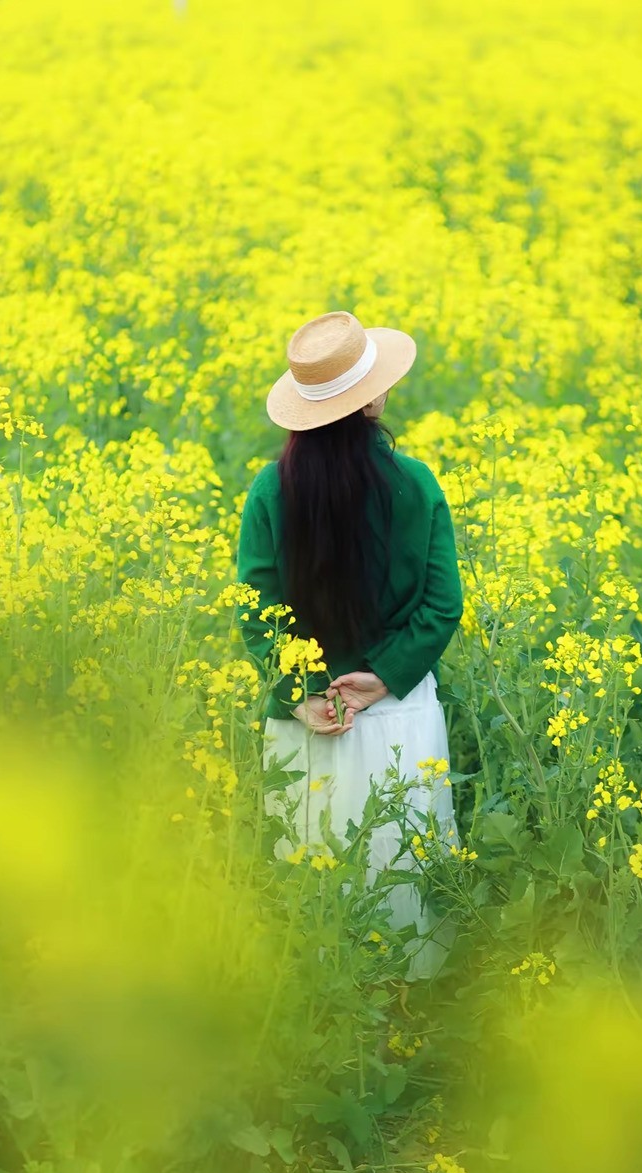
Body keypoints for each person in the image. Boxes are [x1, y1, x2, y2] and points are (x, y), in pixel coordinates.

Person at [236, 311, 463, 977]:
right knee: (404, 887)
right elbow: (442, 604)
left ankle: (316, 1036)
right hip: (399, 719)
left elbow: (256, 610)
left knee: (314, 893)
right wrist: (385, 675)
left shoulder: (269, 490)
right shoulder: (415, 482)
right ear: (371, 398)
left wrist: (298, 693)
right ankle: (406, 1034)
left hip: (310, 726)